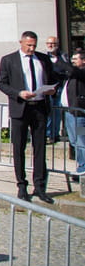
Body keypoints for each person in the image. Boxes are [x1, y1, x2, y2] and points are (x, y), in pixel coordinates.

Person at [0, 31, 58, 204]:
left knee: (40, 148)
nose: (31, 48)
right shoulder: (9, 60)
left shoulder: (43, 59)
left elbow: (52, 79)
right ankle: (21, 185)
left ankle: (39, 186)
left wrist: (52, 90)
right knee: (19, 148)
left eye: (34, 45)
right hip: (20, 109)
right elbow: (1, 83)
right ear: (21, 42)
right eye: (28, 45)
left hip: (39, 108)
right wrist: (19, 93)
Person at [59, 49, 85, 180]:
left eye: (76, 59)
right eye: (72, 59)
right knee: (75, 142)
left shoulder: (81, 72)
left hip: (80, 116)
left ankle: (82, 170)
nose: (73, 61)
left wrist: (58, 58)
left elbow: (74, 71)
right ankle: (81, 168)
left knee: (81, 142)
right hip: (70, 114)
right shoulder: (72, 74)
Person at [44, 36, 69, 144]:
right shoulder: (44, 57)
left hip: (60, 88)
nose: (50, 45)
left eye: (53, 43)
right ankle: (48, 134)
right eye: (48, 43)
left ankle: (55, 134)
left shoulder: (63, 56)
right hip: (48, 88)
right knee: (48, 111)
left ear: (57, 45)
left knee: (57, 111)